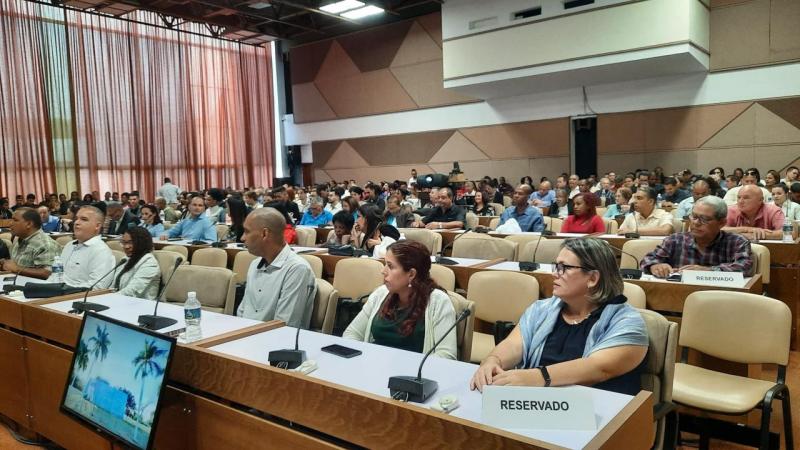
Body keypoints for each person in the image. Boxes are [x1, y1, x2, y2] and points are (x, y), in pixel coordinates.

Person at [470, 238, 648, 395]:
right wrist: (493, 360)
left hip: (597, 413)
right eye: (556, 266)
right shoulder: (541, 309)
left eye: (565, 268)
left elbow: (598, 368)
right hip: (537, 403)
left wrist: (536, 378)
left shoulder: (627, 322)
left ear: (593, 278)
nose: (554, 273)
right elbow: (514, 345)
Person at [344, 240, 457, 359]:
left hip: (411, 374)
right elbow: (352, 334)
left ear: (411, 274)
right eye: (385, 264)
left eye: (390, 266)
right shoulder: (381, 293)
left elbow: (446, 355)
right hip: (373, 366)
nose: (383, 271)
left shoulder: (438, 301)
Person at [236, 208, 317, 328]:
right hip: (246, 336)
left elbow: (286, 324)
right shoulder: (254, 264)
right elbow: (242, 311)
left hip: (274, 341)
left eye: (247, 232)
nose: (242, 238)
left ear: (265, 234)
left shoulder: (296, 269)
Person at [641, 196, 754, 278]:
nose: (696, 223)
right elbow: (648, 259)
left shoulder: (737, 242)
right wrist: (655, 266)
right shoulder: (675, 240)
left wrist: (709, 271)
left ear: (721, 223)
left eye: (704, 219)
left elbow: (744, 266)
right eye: (694, 217)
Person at [50, 205, 116, 289]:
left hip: (77, 297)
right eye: (76, 218)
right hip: (57, 293)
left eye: (84, 219)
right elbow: (56, 275)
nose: (76, 222)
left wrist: (65, 290)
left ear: (97, 226)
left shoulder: (101, 251)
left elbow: (97, 287)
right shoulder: (69, 245)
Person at [0, 208, 61, 279]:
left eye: (15, 220)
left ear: (29, 224)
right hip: (17, 284)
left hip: (37, 288)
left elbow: (48, 273)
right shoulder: (20, 241)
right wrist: (6, 265)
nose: (10, 223)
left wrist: (17, 269)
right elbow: (16, 269)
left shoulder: (45, 244)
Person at [109, 227, 161, 299]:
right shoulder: (125, 259)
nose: (126, 247)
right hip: (120, 301)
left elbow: (132, 291)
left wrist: (109, 298)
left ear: (141, 243)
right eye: (124, 242)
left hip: (140, 306)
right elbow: (113, 286)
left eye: (131, 242)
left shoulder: (149, 263)